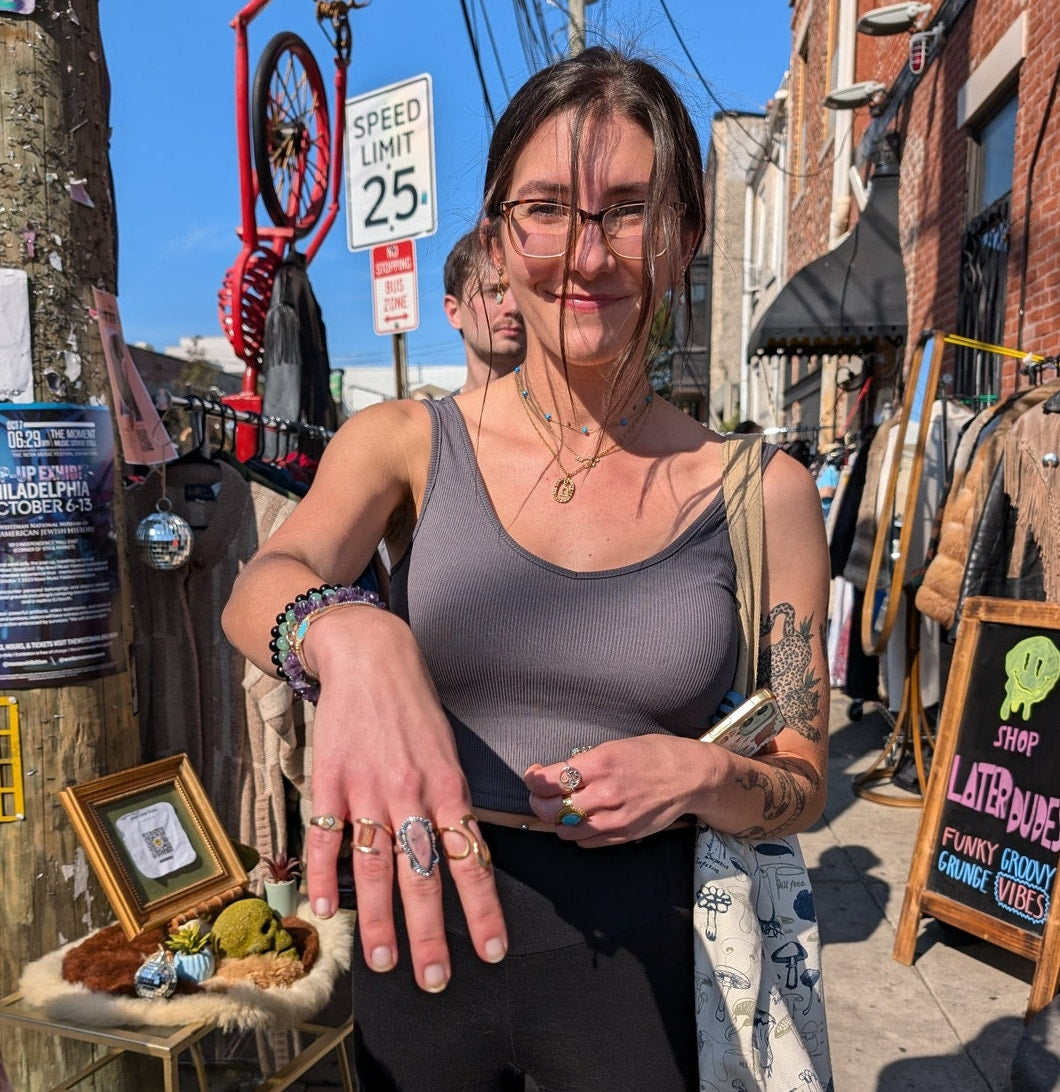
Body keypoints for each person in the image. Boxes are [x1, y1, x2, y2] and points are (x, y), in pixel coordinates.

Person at [222, 46, 830, 1091]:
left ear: (684, 233)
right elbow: (259, 586)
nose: (587, 256)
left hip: (653, 958)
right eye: (546, 209)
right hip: (417, 932)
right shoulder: (407, 443)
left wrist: (703, 776)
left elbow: (804, 775)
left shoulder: (760, 489)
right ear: (497, 239)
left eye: (630, 210)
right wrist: (352, 634)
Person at [442, 228, 526, 392]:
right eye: (495, 292)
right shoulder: (436, 418)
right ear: (454, 312)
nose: (514, 306)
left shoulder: (571, 413)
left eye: (521, 291)